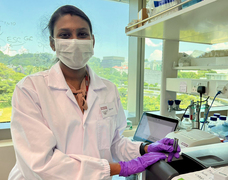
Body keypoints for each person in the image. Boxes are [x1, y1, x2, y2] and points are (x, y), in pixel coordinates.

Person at [8, 5, 180, 180]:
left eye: (82, 34)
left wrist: (143, 148)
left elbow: (114, 143)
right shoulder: (30, 89)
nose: (74, 41)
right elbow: (40, 163)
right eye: (65, 35)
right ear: (53, 43)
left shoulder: (108, 90)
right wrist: (120, 168)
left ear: (93, 41)